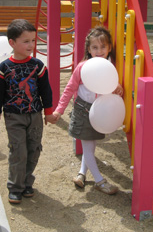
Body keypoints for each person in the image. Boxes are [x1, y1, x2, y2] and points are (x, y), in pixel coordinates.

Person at [0, 19, 56, 204]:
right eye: (26, 41)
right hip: (13, 116)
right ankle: (15, 187)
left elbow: (46, 91)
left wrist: (48, 112)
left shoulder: (38, 66)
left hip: (35, 116)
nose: (31, 45)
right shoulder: (4, 68)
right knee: (18, 151)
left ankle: (27, 182)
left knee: (33, 150)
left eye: (33, 41)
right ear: (12, 43)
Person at [53, 26, 123, 195]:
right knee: (88, 145)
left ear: (109, 48)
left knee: (90, 146)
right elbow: (69, 89)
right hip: (83, 111)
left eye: (103, 47)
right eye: (95, 47)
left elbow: (107, 85)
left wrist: (116, 86)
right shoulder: (83, 67)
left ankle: (81, 173)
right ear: (89, 49)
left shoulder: (109, 66)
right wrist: (59, 111)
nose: (99, 51)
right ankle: (99, 181)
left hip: (99, 112)